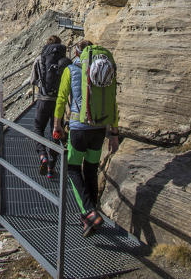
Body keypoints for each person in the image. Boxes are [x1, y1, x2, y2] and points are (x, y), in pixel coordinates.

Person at [53, 40, 119, 237]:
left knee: (73, 168)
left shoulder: (71, 70)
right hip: (99, 129)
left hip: (78, 128)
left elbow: (61, 98)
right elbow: (113, 102)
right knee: (90, 170)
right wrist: (114, 134)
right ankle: (92, 214)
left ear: (77, 52)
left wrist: (57, 125)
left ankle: (88, 211)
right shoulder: (105, 70)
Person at [30, 35, 70, 179]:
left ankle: (42, 155)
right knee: (56, 131)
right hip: (59, 102)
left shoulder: (40, 59)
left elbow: (33, 80)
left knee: (38, 128)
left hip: (43, 100)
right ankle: (51, 168)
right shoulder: (65, 61)